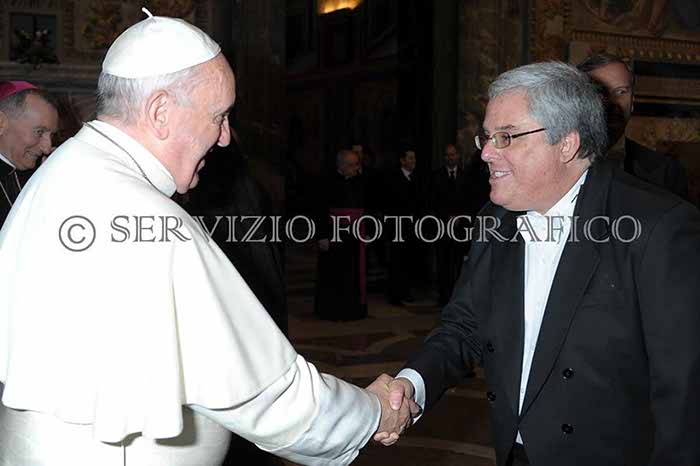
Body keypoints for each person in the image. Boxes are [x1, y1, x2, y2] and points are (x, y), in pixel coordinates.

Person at [0, 11, 417, 466]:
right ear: (160, 112)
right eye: (218, 117)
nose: (223, 139)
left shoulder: (61, 172)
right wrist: (375, 411)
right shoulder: (152, 223)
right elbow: (273, 400)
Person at [373, 61, 700, 465]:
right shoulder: (496, 220)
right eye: (487, 137)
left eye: (506, 137)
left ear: (567, 144)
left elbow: (684, 395)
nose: (486, 153)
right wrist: (411, 385)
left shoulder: (658, 227)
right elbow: (464, 326)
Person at [577, 53, 688, 198]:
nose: (612, 103)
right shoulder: (553, 161)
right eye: (600, 92)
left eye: (621, 92)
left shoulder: (665, 172)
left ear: (632, 102)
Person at [314, 149, 368, 321]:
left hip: (354, 234)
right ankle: (333, 310)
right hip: (333, 234)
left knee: (352, 273)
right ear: (341, 165)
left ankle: (353, 310)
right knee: (334, 273)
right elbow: (319, 210)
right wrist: (322, 236)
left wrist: (366, 232)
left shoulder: (359, 182)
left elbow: (365, 208)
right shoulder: (326, 182)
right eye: (352, 165)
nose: (356, 168)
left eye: (357, 164)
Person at [0, 80, 58, 226]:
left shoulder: (35, 173)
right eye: (39, 132)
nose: (47, 148)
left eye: (51, 135)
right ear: (1, 123)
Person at [430, 143, 471, 306]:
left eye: (453, 154)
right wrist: (447, 217)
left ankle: (458, 298)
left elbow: (469, 200)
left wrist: (460, 217)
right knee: (443, 263)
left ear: (458, 156)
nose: (450, 158)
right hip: (442, 226)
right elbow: (433, 201)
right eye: (447, 155)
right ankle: (443, 297)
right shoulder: (436, 176)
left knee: (460, 264)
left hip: (461, 228)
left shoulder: (466, 176)